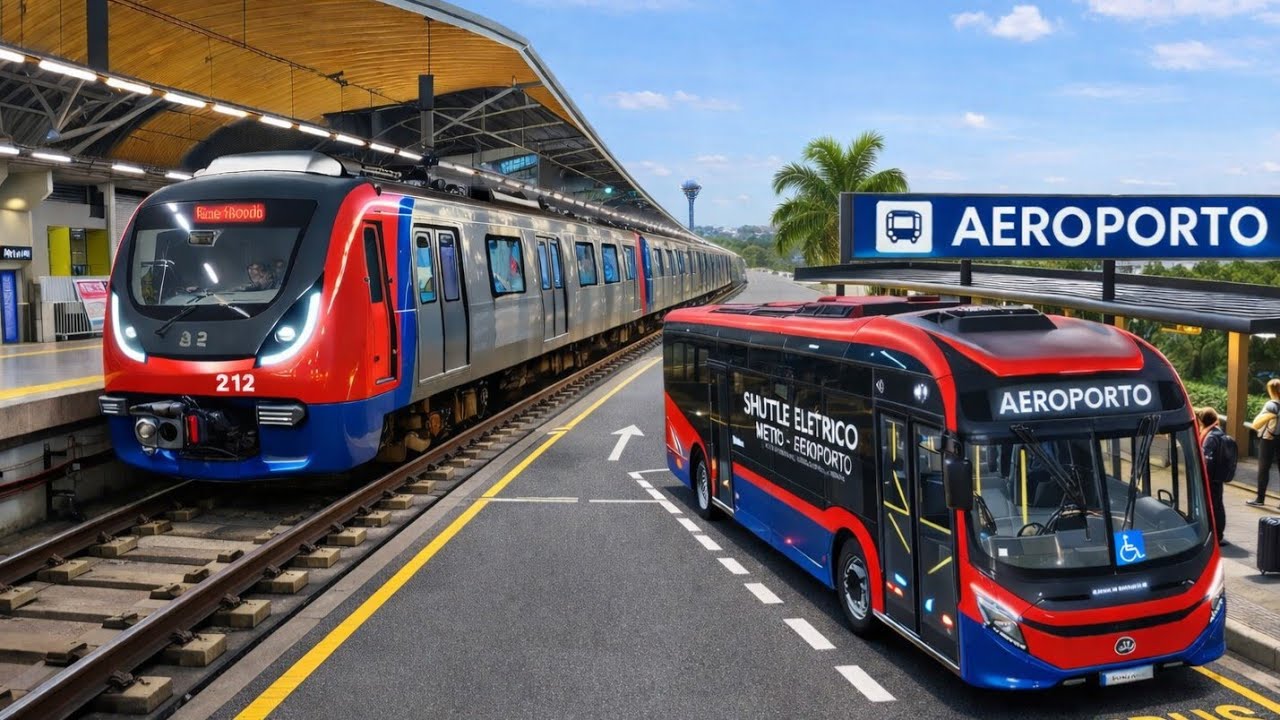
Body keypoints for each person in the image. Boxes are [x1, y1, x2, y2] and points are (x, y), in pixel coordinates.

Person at [1198, 407, 1229, 545]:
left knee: (1213, 504)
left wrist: (1204, 477)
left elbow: (1206, 459)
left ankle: (1215, 534)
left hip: (1210, 477)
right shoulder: (1219, 432)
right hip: (1218, 475)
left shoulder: (1210, 436)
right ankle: (1219, 533)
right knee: (1218, 504)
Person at [1247, 379, 1280, 507]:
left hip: (1268, 439)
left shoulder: (1271, 405)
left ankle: (1260, 499)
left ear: (1270, 390)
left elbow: (1256, 424)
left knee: (1263, 469)